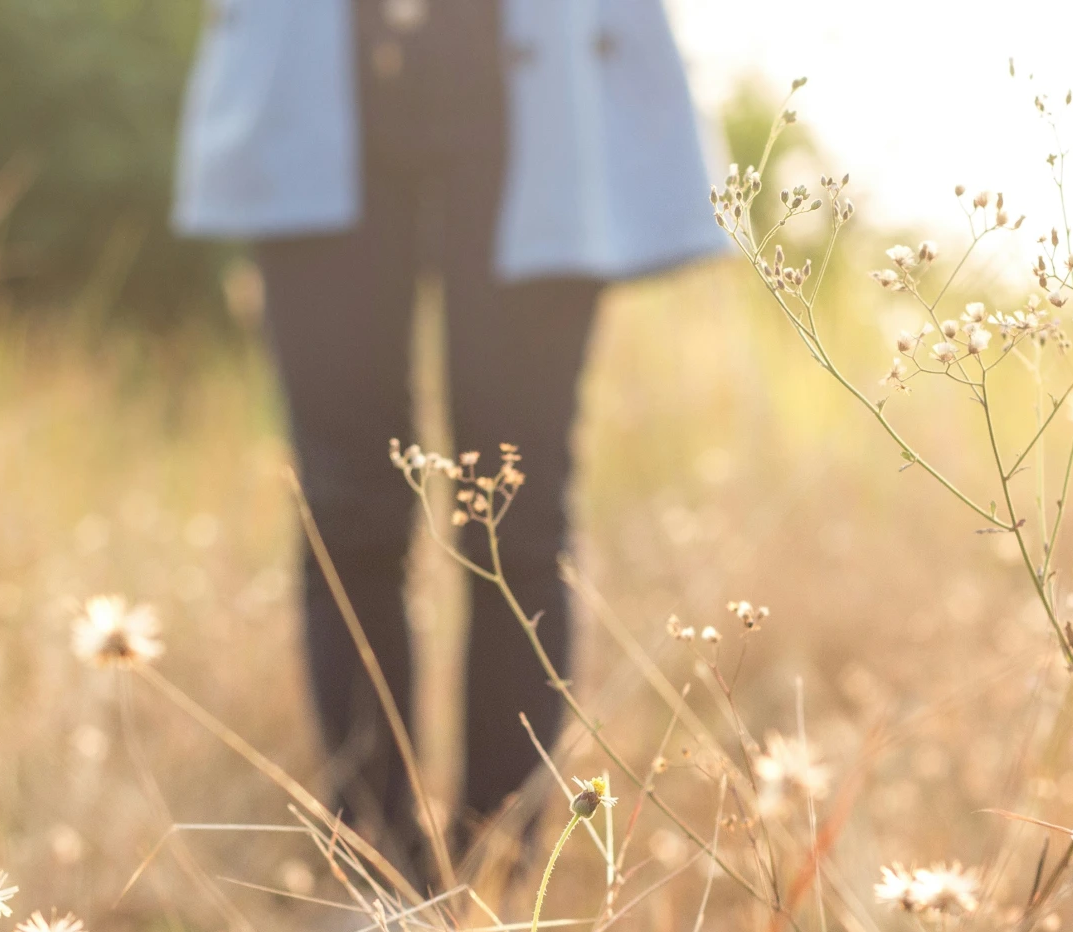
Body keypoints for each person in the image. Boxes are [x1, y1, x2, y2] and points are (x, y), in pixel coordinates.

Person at [171, 0, 724, 882]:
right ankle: (378, 870)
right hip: (315, 67)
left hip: (540, 82)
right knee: (346, 505)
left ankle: (502, 876)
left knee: (517, 512)